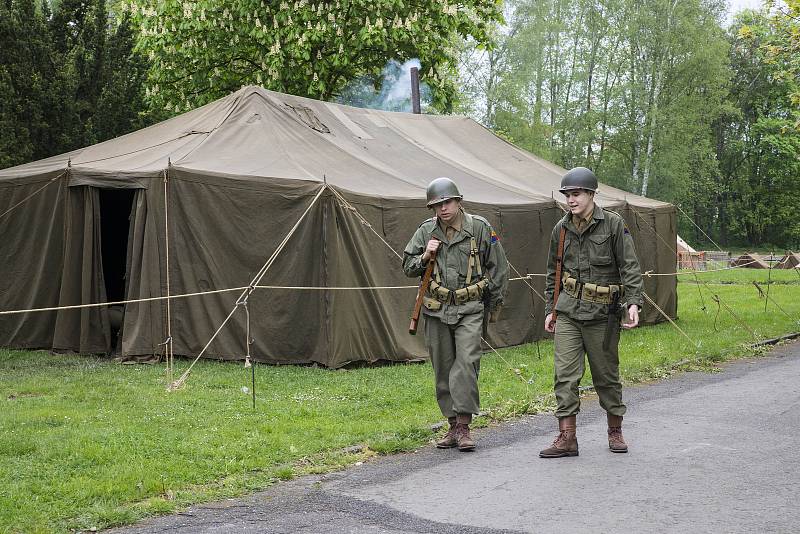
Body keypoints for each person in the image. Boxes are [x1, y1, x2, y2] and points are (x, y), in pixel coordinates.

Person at [539, 167, 643, 458]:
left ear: (591, 194)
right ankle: (567, 437)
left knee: (606, 376)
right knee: (565, 376)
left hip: (603, 314)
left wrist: (634, 302)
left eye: (576, 194)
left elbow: (629, 266)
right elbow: (553, 273)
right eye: (568, 195)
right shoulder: (561, 229)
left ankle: (615, 430)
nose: (571, 200)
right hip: (569, 311)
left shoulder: (612, 225)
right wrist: (551, 309)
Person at [403, 177, 509, 451]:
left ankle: (464, 426)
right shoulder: (426, 231)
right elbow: (407, 266)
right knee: (442, 367)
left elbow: (498, 268)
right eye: (437, 205)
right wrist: (425, 256)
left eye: (447, 202)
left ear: (459, 201)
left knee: (466, 363)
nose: (442, 209)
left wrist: (494, 306)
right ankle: (451, 425)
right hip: (436, 309)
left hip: (471, 308)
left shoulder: (480, 228)